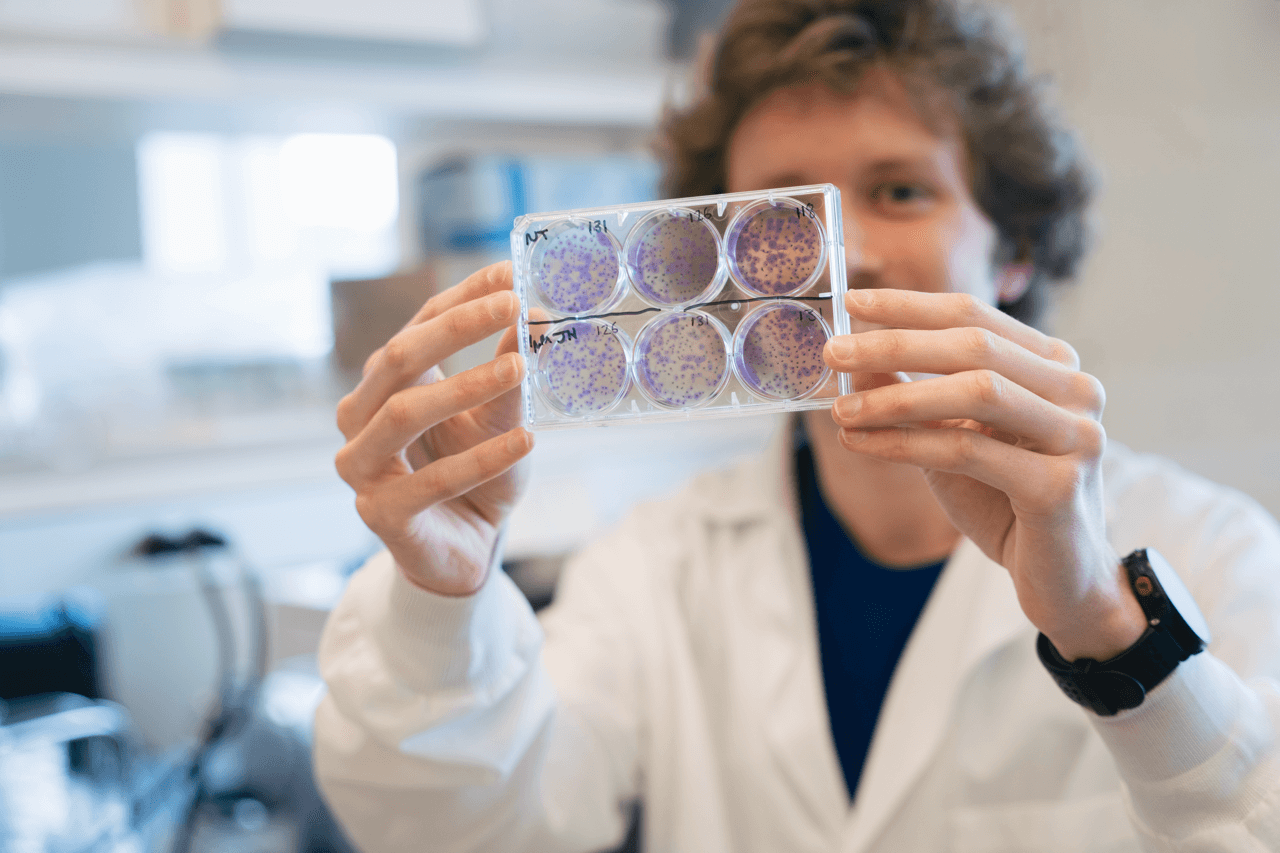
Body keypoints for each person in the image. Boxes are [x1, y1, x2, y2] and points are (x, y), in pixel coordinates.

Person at [313, 1, 1280, 850]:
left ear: (1015, 248)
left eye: (901, 189)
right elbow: (466, 832)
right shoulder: (655, 567)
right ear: (705, 269)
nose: (840, 252)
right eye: (775, 217)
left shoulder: (1220, 550)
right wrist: (438, 603)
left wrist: (1111, 635)